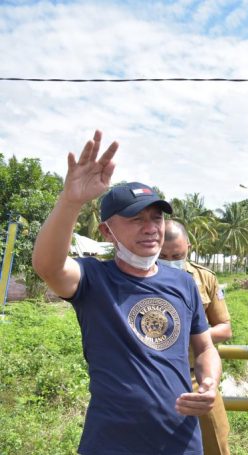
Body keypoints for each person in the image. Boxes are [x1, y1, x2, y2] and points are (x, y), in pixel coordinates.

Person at [32, 130, 222, 454]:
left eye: (156, 218)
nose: (151, 228)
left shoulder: (184, 283)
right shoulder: (94, 279)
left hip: (181, 441)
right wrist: (71, 201)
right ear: (107, 231)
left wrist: (209, 383)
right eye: (136, 219)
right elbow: (48, 267)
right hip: (111, 443)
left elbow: (204, 348)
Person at [160, 219, 233, 455]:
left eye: (177, 255)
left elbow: (225, 328)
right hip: (155, 379)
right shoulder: (140, 278)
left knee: (215, 443)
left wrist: (189, 334)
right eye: (164, 256)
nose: (170, 261)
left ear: (188, 248)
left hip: (197, 378)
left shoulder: (204, 278)